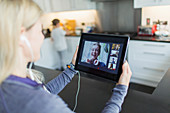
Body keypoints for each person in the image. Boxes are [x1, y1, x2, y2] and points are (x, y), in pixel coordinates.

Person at [0, 0, 132, 113]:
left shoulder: (10, 83)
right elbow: (44, 99)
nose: (42, 36)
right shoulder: (43, 104)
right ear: (21, 36)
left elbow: (46, 91)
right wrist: (121, 90)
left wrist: (71, 68)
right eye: (40, 30)